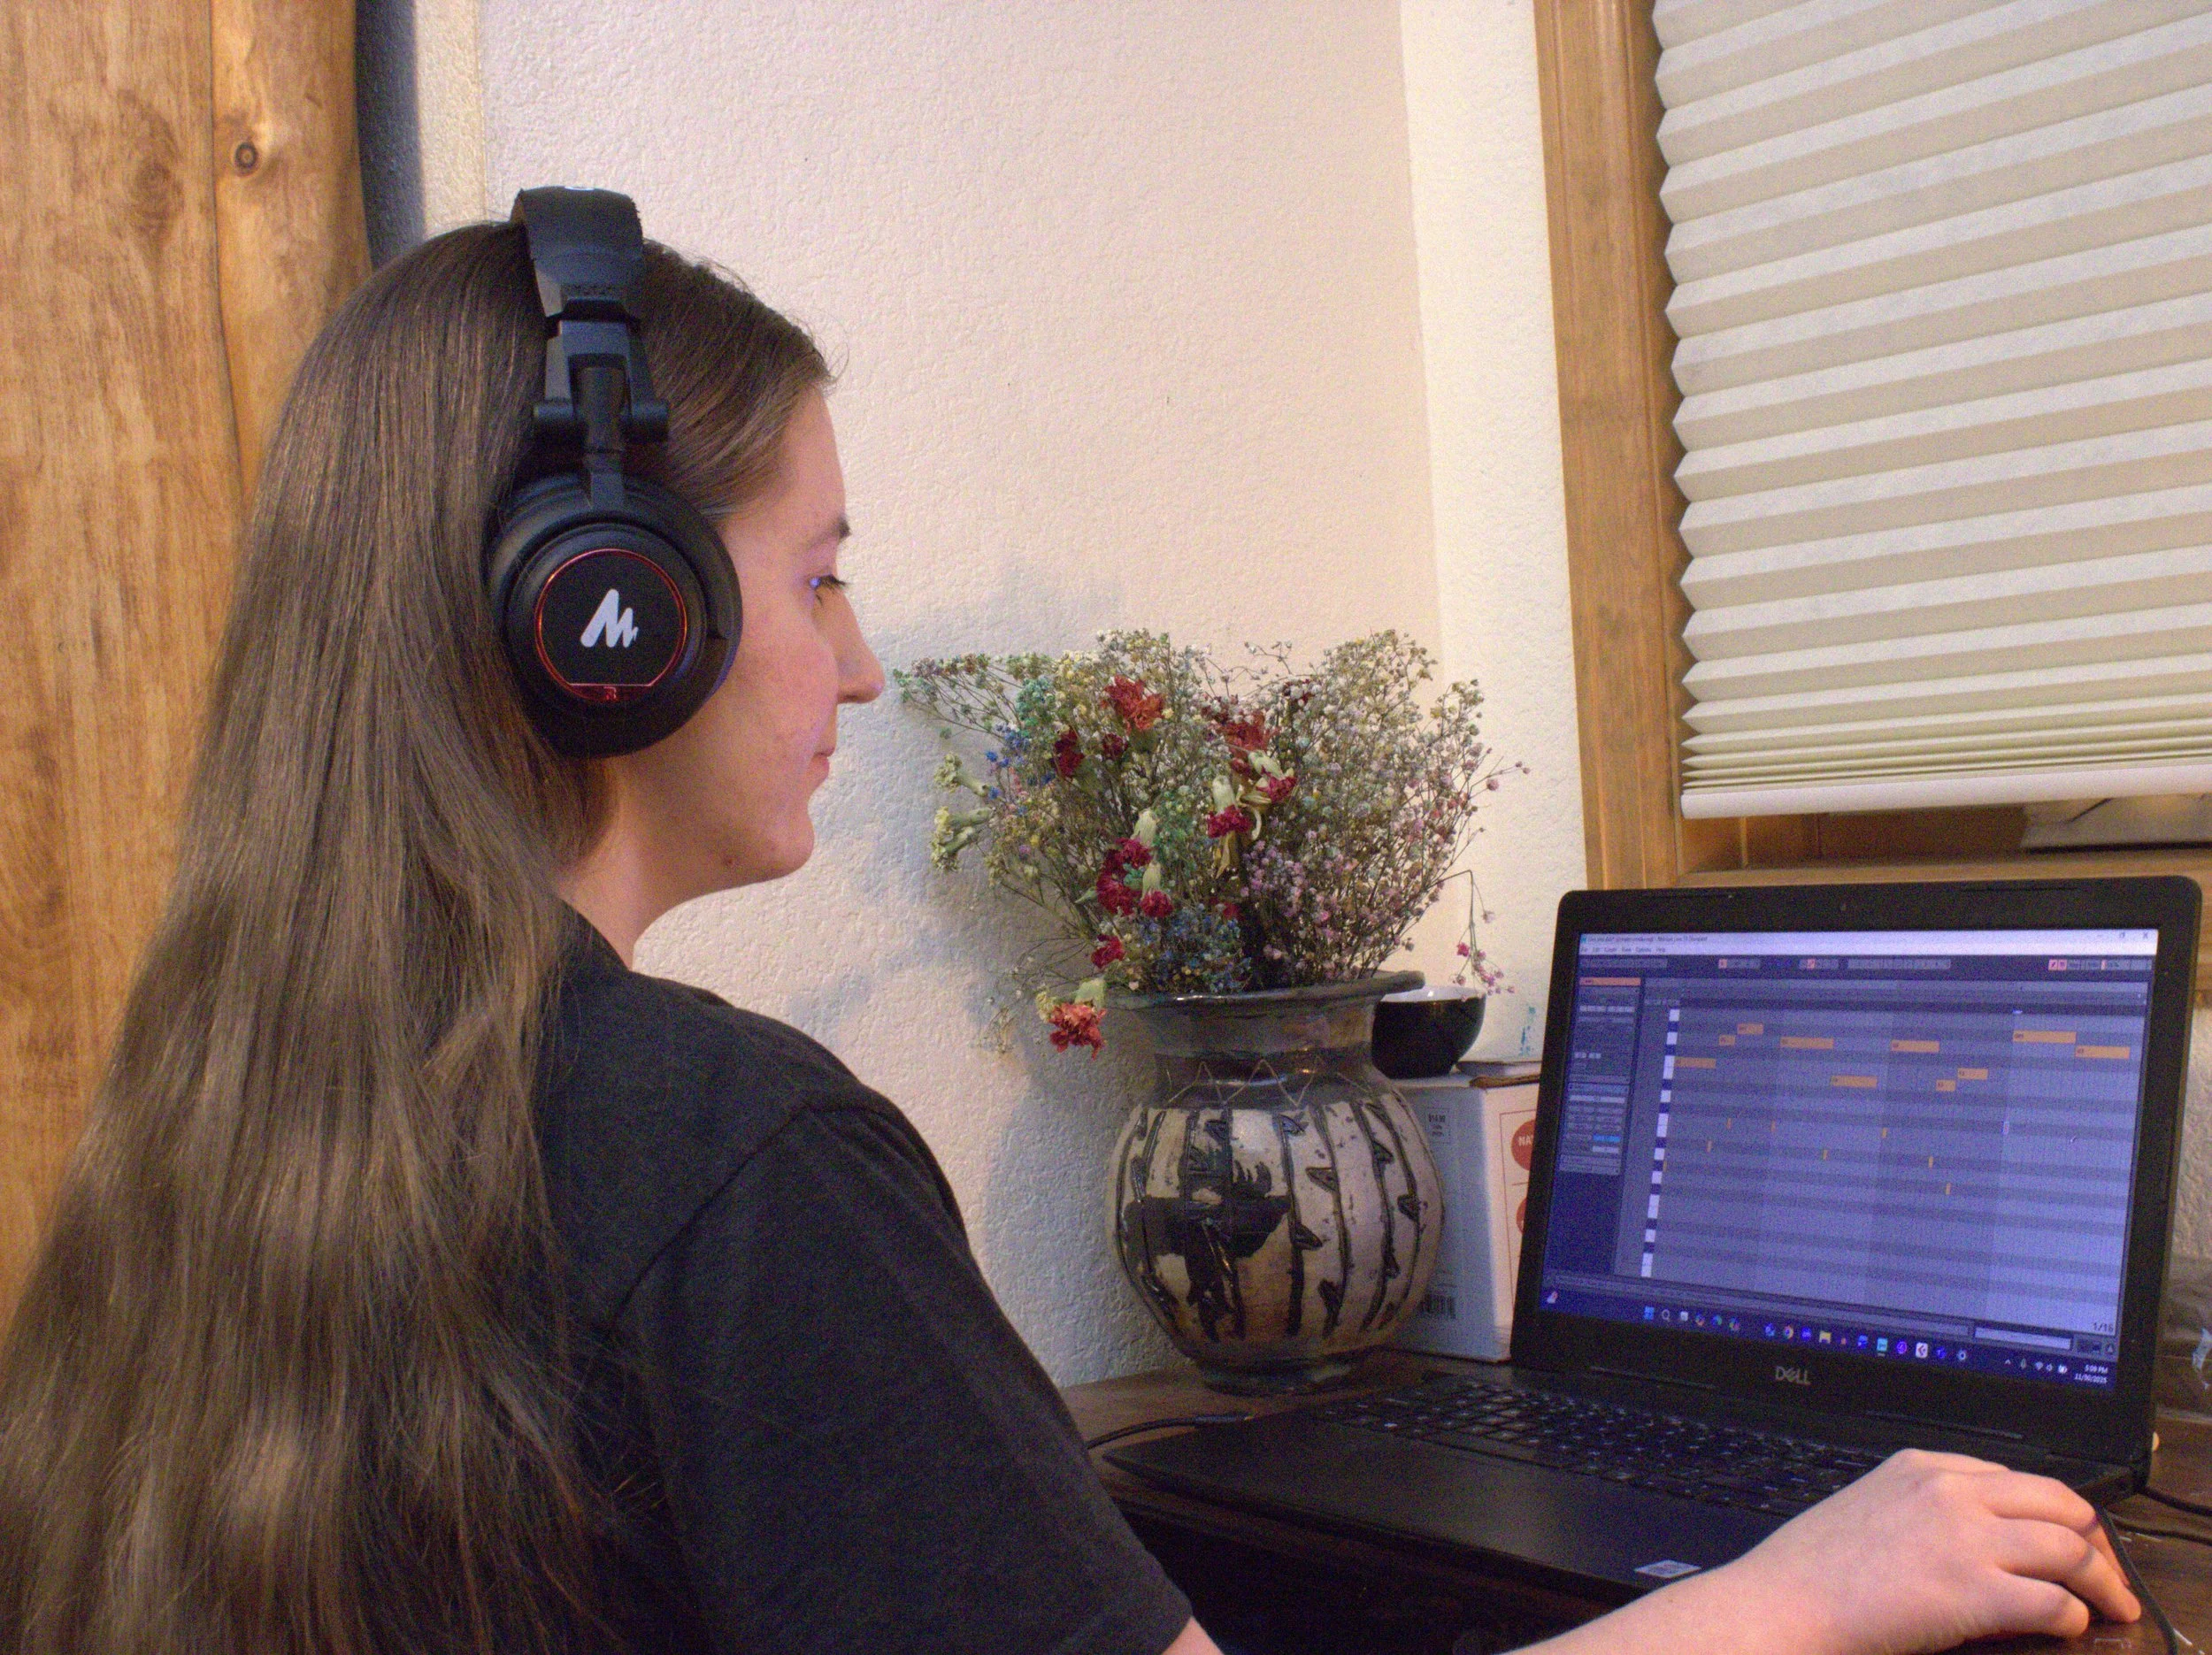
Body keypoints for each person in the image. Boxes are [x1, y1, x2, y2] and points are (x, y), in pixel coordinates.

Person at [0, 208, 2145, 1655]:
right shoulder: (725, 1158)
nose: (849, 668)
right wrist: (1798, 1584)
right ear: (609, 616)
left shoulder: (219, 1129)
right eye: (820, 571)